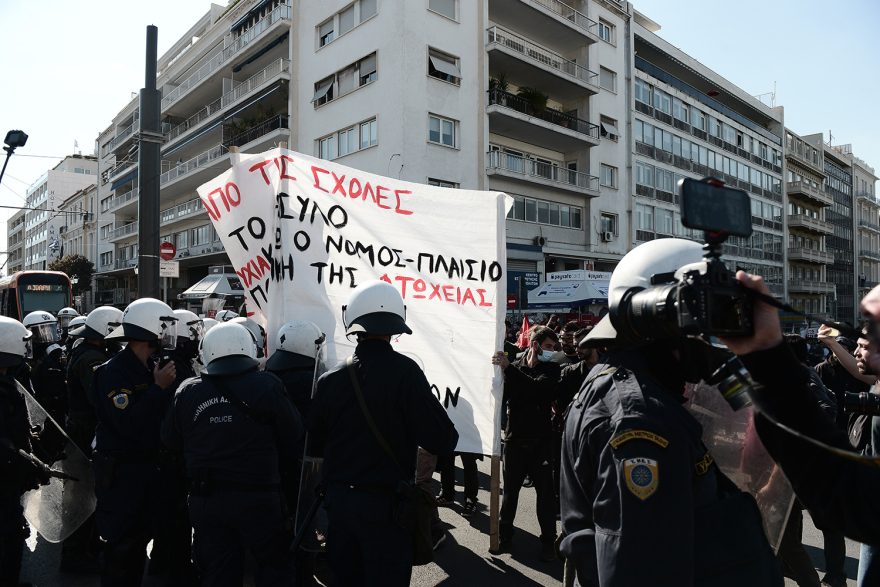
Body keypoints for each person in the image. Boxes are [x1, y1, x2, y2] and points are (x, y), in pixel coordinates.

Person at [560, 239, 782, 586]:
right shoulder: (641, 419)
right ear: (656, 319)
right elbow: (643, 573)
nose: (713, 339)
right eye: (702, 324)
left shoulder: (633, 385)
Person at [309, 280, 458, 586]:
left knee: (345, 579)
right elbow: (442, 439)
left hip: (339, 504)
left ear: (353, 320)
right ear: (395, 323)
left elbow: (315, 445)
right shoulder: (406, 372)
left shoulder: (328, 379)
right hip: (386, 507)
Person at [161, 321, 304, 587]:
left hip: (207, 500)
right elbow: (294, 433)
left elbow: (170, 439)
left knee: (217, 571)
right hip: (258, 496)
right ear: (249, 349)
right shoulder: (267, 384)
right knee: (274, 568)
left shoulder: (188, 390)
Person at [91, 298, 178, 587]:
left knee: (140, 541)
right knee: (121, 548)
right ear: (151, 330)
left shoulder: (152, 366)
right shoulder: (113, 371)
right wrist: (158, 389)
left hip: (148, 470)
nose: (168, 334)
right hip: (122, 475)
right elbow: (125, 423)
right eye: (164, 327)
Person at [491, 324, 561, 562]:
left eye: (554, 346)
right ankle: (504, 534)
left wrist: (509, 369)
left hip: (540, 441)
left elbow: (537, 388)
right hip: (514, 440)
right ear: (535, 345)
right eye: (549, 346)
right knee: (510, 493)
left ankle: (548, 542)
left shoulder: (552, 369)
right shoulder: (514, 366)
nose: (552, 350)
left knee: (545, 496)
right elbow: (502, 395)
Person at [62, 306, 124, 575]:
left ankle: (87, 548)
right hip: (86, 434)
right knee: (84, 494)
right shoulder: (92, 359)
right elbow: (97, 399)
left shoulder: (88, 352)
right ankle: (75, 554)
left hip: (83, 431)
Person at [149, 309, 204, 585]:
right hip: (172, 451)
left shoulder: (174, 360)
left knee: (168, 512)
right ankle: (178, 570)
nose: (197, 338)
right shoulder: (174, 365)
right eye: (193, 332)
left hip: (166, 450)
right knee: (177, 515)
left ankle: (161, 559)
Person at [0, 316, 53, 587]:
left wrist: (29, 437)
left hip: (9, 481)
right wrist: (31, 464)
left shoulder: (7, 383)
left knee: (11, 540)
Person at [813, 331, 868, 586]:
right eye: (853, 347)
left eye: (861, 346)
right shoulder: (822, 369)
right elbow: (859, 372)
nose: (855, 352)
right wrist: (832, 343)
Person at [23, 311, 68, 425]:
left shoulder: (57, 355)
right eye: (41, 331)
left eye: (50, 329)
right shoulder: (26, 356)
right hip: (37, 405)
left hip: (57, 404)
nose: (47, 336)